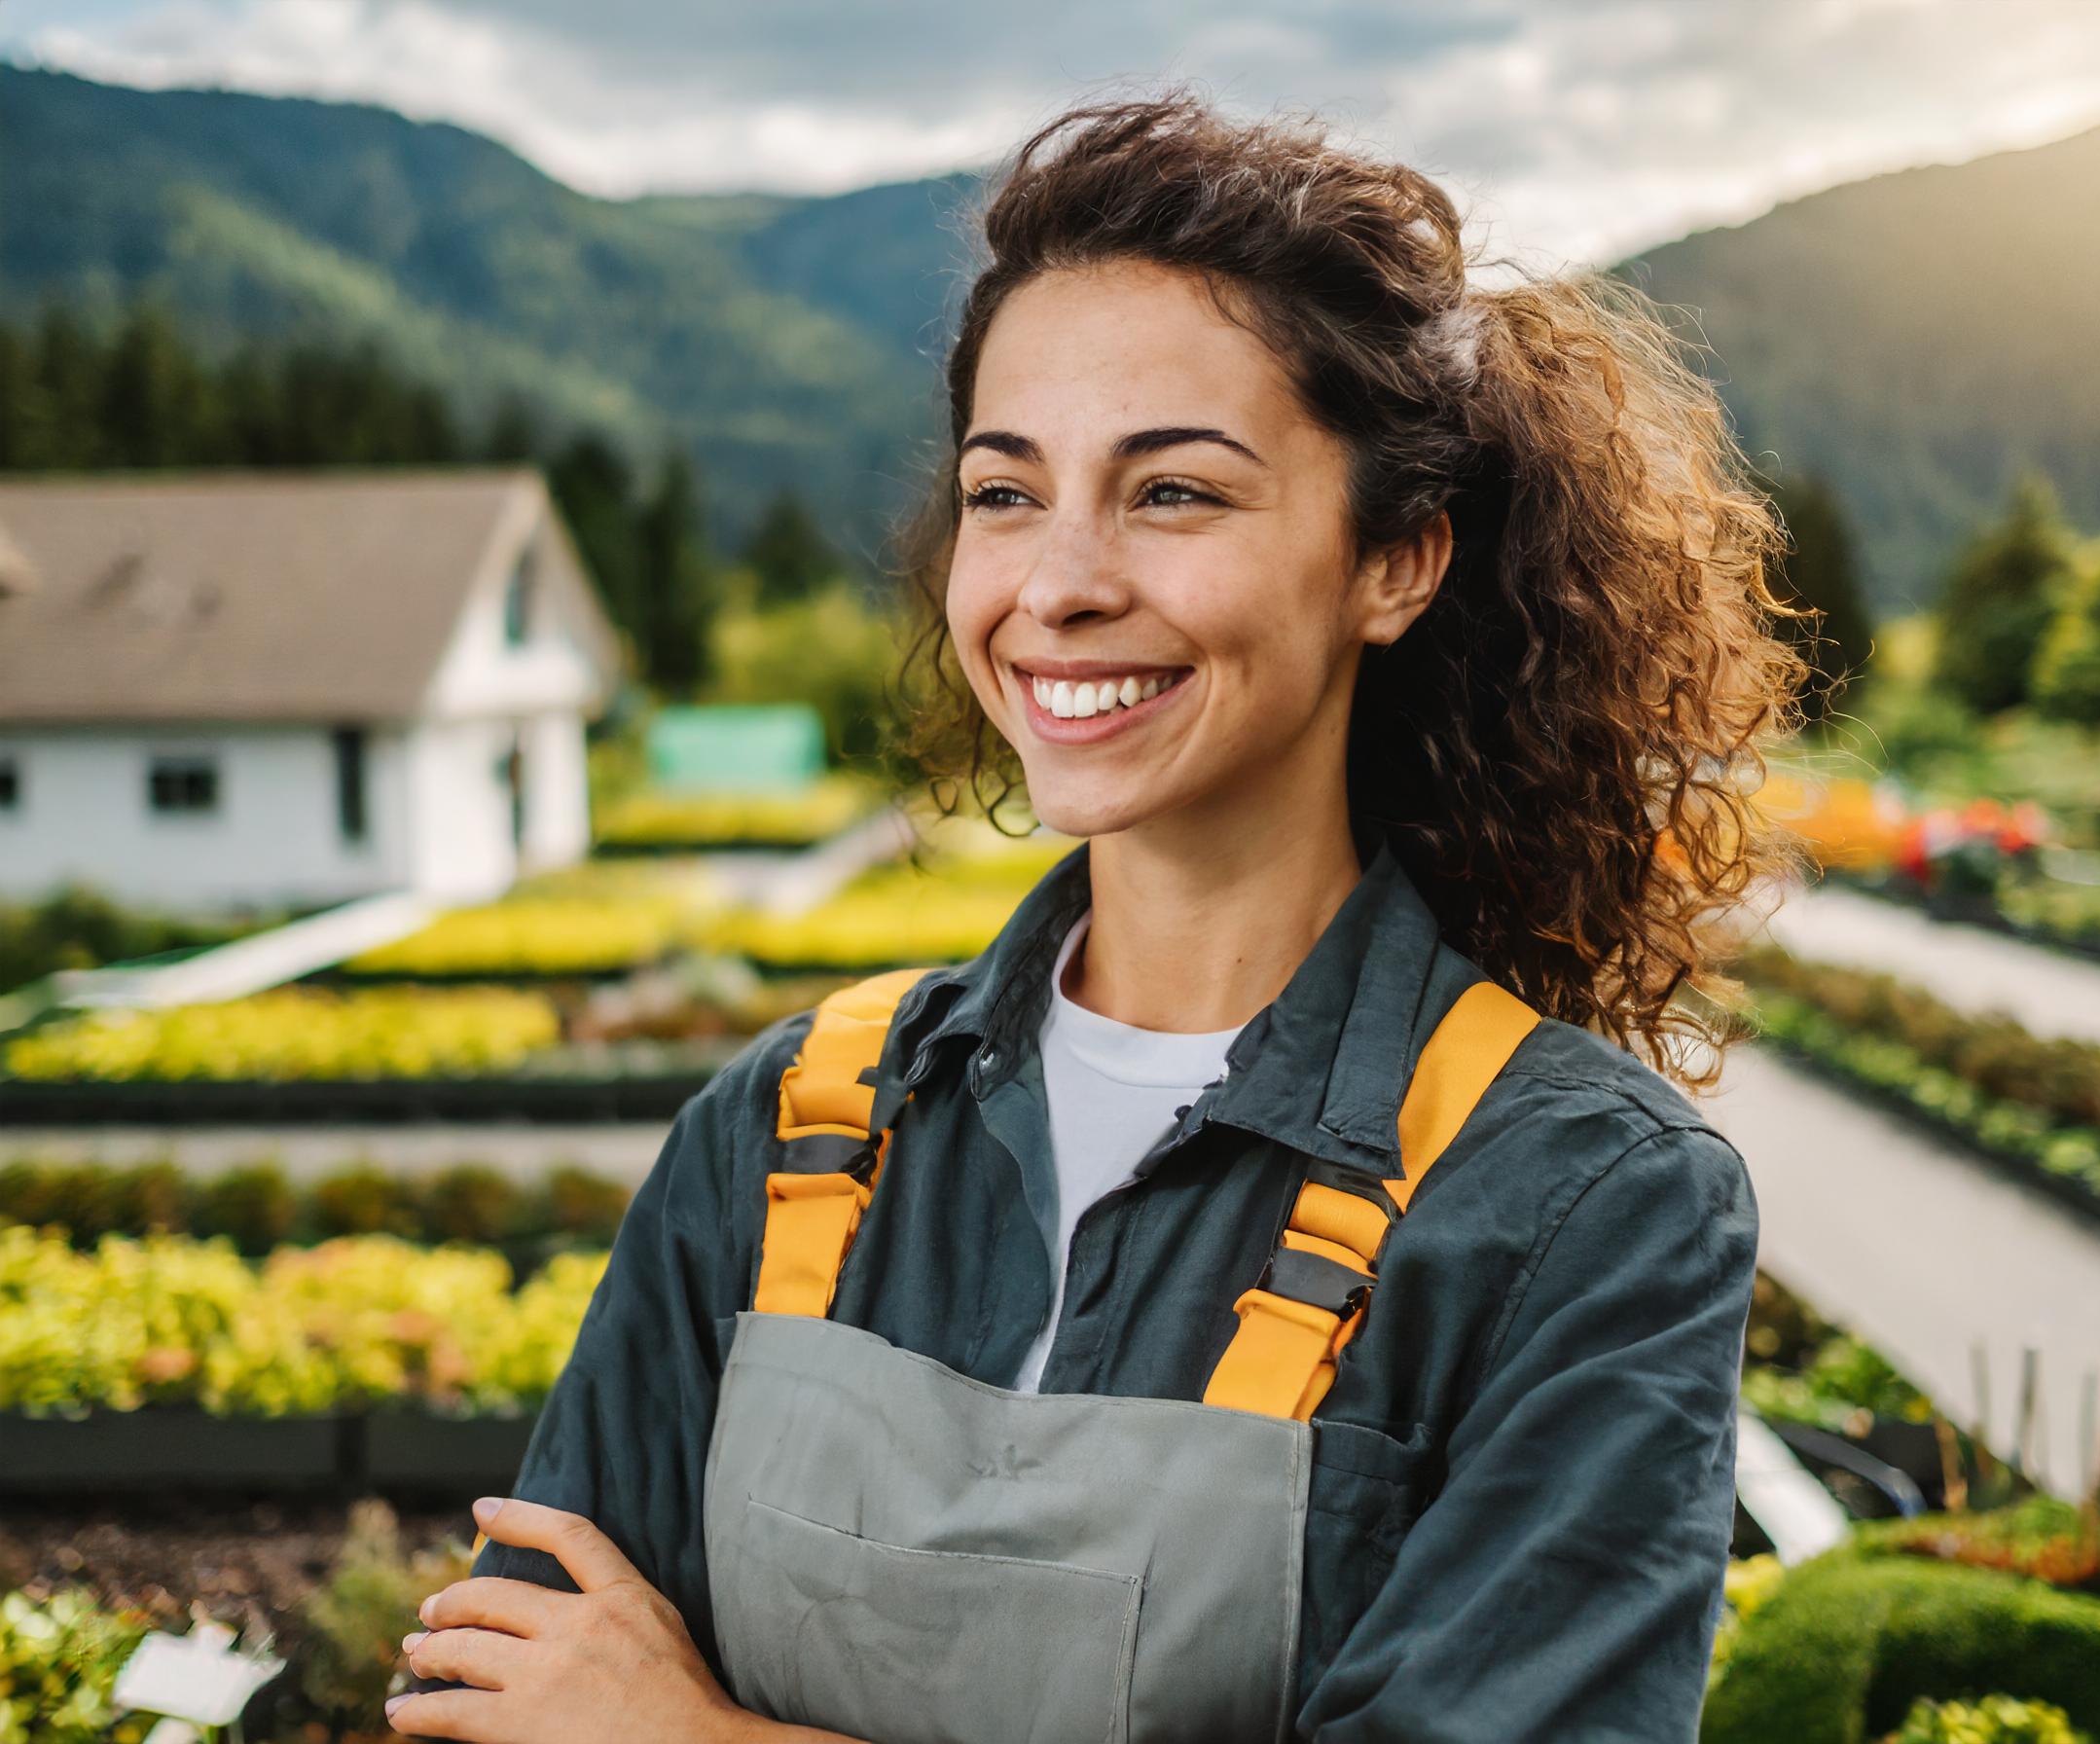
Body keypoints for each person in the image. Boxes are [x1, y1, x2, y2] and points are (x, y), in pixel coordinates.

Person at [386, 87, 1809, 1744]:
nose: (1054, 583)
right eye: (1006, 493)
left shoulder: (1579, 1207)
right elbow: (507, 1700)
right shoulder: (787, 1126)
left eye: (1174, 494)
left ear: (1395, 561)